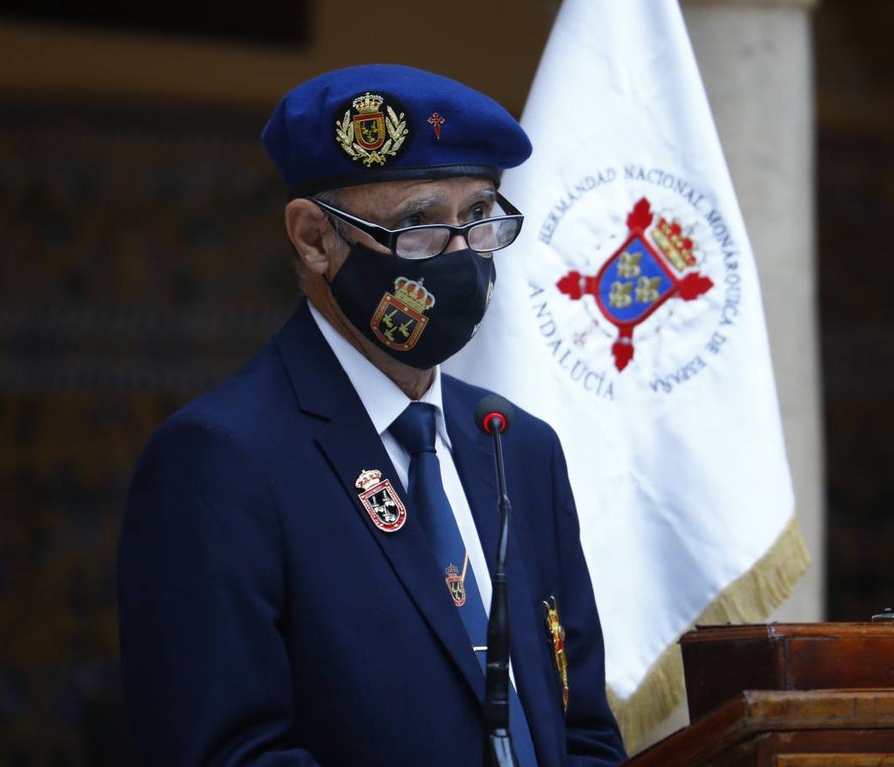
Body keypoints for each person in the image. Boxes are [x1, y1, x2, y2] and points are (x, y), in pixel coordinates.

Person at [116, 63, 627, 767]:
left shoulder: (518, 447)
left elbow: (585, 733)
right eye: (417, 224)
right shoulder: (221, 461)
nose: (459, 255)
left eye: (479, 216)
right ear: (314, 238)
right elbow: (230, 752)